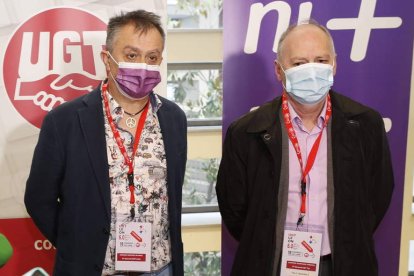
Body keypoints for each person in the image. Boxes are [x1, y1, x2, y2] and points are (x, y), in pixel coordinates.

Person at [216, 20, 393, 276]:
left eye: (321, 61)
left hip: (342, 264)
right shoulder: (246, 131)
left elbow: (377, 196)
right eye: (299, 64)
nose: (311, 71)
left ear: (335, 64)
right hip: (270, 264)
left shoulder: (366, 124)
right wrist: (266, 242)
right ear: (279, 70)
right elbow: (235, 209)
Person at [25, 10, 187, 276]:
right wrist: (77, 246)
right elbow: (38, 199)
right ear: (107, 59)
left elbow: (172, 194)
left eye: (152, 57)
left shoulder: (174, 118)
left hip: (161, 268)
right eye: (131, 55)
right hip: (94, 269)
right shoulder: (64, 121)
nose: (143, 66)